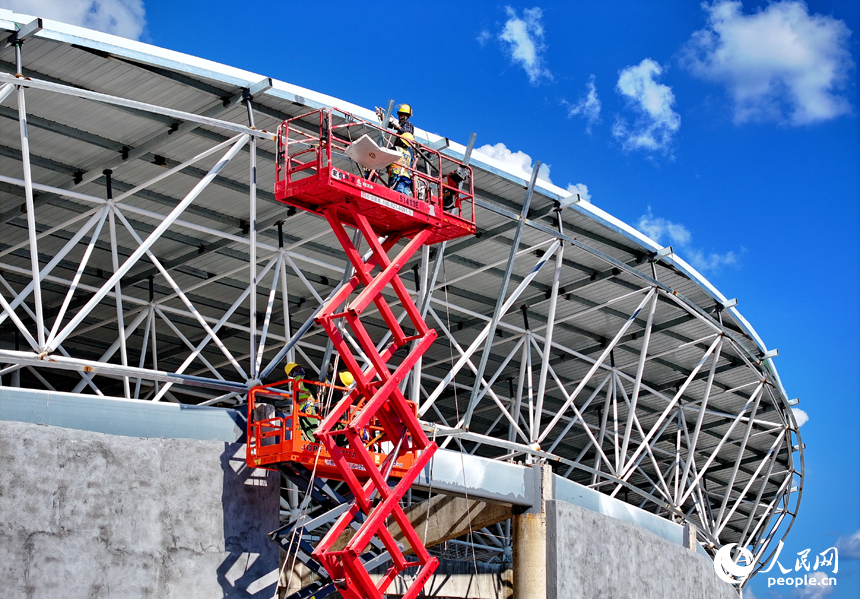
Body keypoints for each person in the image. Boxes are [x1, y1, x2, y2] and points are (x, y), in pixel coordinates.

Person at [377, 104, 415, 196]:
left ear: (407, 116)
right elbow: (391, 125)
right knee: (402, 181)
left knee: (402, 175)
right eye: (399, 114)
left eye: (402, 115)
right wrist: (383, 118)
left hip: (405, 150)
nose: (400, 117)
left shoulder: (408, 125)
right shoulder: (401, 124)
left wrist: (398, 127)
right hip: (401, 154)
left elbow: (406, 135)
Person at [284, 362, 319, 442]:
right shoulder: (304, 378)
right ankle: (314, 444)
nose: (299, 369)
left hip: (299, 409)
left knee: (302, 428)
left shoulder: (293, 383)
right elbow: (313, 388)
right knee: (311, 426)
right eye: (297, 369)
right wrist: (316, 397)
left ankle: (303, 442)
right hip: (308, 406)